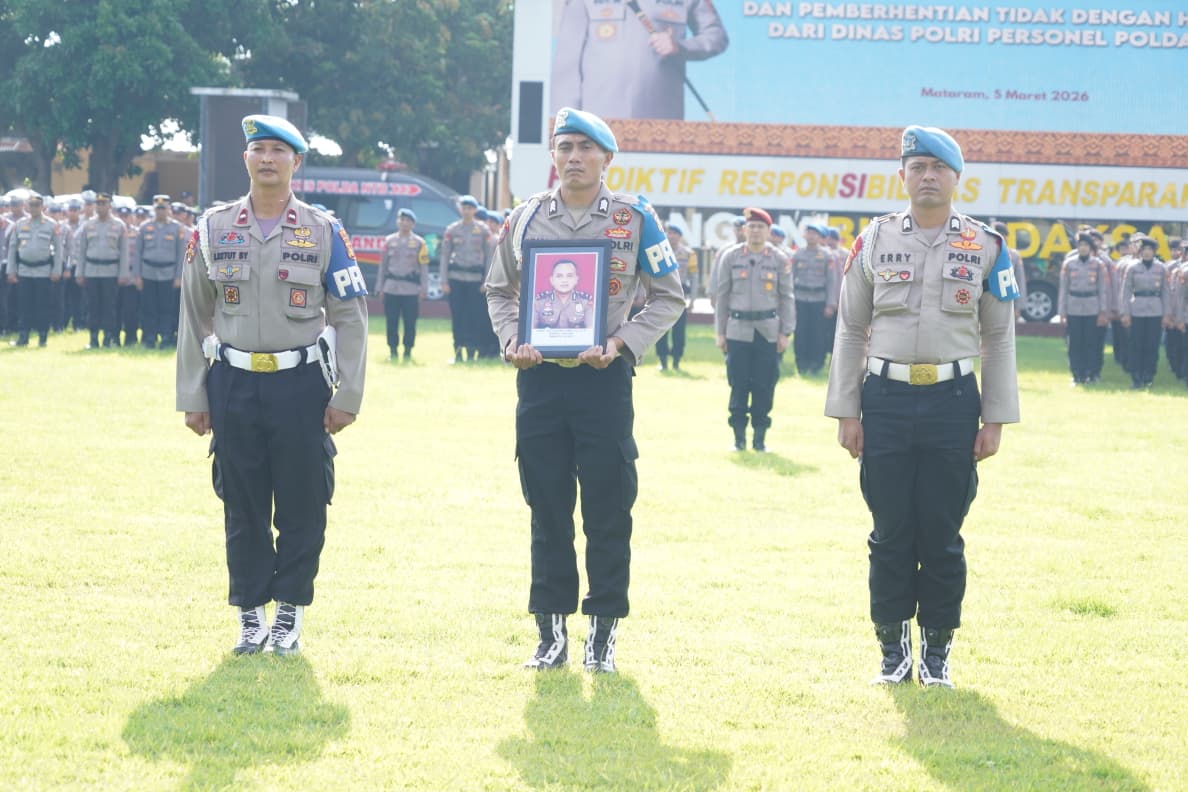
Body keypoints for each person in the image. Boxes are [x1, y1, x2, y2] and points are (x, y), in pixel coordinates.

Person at [485, 107, 684, 673]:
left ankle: (602, 636)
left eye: (585, 148)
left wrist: (621, 342)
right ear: (553, 155)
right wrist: (511, 340)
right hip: (540, 382)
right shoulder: (524, 218)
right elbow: (499, 291)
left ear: (606, 158)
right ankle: (550, 636)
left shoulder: (634, 219)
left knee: (608, 510)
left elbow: (669, 296)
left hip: (603, 381)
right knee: (547, 510)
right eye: (564, 147)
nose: (573, 158)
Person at [825, 126, 1020, 688]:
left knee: (941, 534)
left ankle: (937, 651)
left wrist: (994, 420)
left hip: (953, 403)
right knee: (889, 531)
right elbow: (851, 328)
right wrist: (847, 411)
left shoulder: (986, 246)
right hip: (884, 400)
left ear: (957, 177)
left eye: (938, 167)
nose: (927, 176)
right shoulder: (873, 240)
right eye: (917, 167)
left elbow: (999, 337)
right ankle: (893, 650)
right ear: (902, 175)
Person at [176, 115, 369, 656]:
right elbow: (193, 314)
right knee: (241, 504)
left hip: (301, 385)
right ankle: (250, 615)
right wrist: (193, 395)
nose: (267, 159)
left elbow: (351, 316)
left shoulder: (325, 231)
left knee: (304, 503)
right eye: (258, 149)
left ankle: (289, 610)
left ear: (295, 162)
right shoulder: (212, 228)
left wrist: (348, 394)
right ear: (246, 158)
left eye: (278, 152)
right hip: (233, 383)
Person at [551, 0, 728, 121]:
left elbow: (716, 36)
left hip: (661, 122)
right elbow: (567, 62)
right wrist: (566, 121)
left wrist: (680, 47)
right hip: (597, 120)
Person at [712, 207, 795, 451]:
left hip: (767, 332)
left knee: (764, 385)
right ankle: (738, 439)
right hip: (737, 331)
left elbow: (787, 297)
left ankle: (760, 440)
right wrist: (720, 332)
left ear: (768, 231)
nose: (756, 231)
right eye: (752, 226)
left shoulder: (779, 259)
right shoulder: (730, 257)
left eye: (760, 227)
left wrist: (785, 332)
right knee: (738, 384)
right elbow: (722, 296)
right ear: (744, 229)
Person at [439, 195, 494, 362]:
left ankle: (471, 351)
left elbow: (489, 257)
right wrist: (444, 281)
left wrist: (486, 281)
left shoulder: (483, 230)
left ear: (475, 210)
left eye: (470, 208)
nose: (467, 211)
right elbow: (445, 256)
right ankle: (458, 351)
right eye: (464, 208)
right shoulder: (452, 229)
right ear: (460, 209)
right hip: (456, 279)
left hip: (475, 280)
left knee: (474, 317)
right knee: (458, 317)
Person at [4, 192, 63, 347]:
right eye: (31, 205)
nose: (34, 208)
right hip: (24, 270)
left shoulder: (51, 224)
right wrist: (11, 270)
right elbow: (12, 248)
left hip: (43, 270)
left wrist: (57, 270)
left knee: (42, 305)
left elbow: (59, 249)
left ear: (42, 206)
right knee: (24, 305)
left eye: (37, 205)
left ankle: (42, 337)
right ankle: (23, 336)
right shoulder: (20, 224)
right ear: (27, 206)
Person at [75, 193, 130, 349]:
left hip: (110, 272)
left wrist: (123, 273)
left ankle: (107, 338)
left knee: (109, 307)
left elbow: (124, 252)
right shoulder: (88, 225)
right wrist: (79, 273)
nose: (100, 207)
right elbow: (82, 251)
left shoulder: (119, 225)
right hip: (91, 271)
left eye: (103, 204)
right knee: (92, 306)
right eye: (98, 204)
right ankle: (93, 339)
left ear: (109, 206)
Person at [375, 207, 429, 360]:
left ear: (413, 224)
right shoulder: (389, 241)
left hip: (411, 289)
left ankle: (407, 351)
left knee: (410, 322)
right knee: (391, 321)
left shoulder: (420, 243)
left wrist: (424, 288)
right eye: (402, 220)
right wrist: (380, 287)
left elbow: (424, 268)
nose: (404, 223)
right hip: (391, 288)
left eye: (408, 220)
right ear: (398, 222)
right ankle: (392, 350)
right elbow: (382, 266)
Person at [134, 195, 187, 348]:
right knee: (148, 308)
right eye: (158, 208)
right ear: (154, 208)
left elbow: (181, 254)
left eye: (163, 208)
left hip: (168, 274)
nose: (160, 211)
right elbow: (138, 252)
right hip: (148, 272)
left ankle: (165, 337)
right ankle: (149, 338)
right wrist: (137, 275)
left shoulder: (177, 228)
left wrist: (179, 276)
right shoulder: (144, 227)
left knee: (167, 308)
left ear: (168, 209)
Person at [1057, 233, 1109, 385]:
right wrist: (1062, 312)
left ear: (1090, 248)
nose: (1083, 248)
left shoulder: (1098, 265)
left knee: (1091, 342)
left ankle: (1090, 373)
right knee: (1074, 343)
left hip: (1092, 307)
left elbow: (1102, 290)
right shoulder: (1069, 264)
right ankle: (1076, 374)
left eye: (1086, 245)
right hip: (1073, 307)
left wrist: (1103, 311)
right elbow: (1063, 289)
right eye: (1081, 245)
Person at [1119, 237, 1170, 389]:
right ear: (1140, 251)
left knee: (1152, 345)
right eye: (1144, 250)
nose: (1147, 252)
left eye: (1150, 250)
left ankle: (1149, 376)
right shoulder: (1132, 268)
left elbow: (1166, 292)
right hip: (1137, 309)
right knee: (1136, 345)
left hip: (1155, 310)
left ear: (1154, 252)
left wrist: (1166, 314)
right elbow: (1125, 291)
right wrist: (1125, 313)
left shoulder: (1161, 268)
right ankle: (1136, 377)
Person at [790, 222, 837, 375]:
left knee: (818, 333)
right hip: (800, 299)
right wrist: (789, 302)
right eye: (809, 233)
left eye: (815, 234)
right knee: (800, 332)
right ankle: (801, 363)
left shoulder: (827, 255)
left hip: (819, 300)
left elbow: (831, 281)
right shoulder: (797, 254)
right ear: (804, 235)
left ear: (819, 237)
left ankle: (817, 363)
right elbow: (790, 278)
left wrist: (830, 304)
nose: (811, 236)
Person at [655, 221, 696, 370]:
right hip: (662, 293)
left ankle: (676, 360)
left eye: (674, 233)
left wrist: (693, 300)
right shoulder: (658, 251)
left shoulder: (689, 253)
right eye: (669, 233)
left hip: (680, 294)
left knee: (679, 331)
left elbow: (694, 277)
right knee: (661, 330)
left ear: (680, 236)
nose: (671, 236)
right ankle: (663, 360)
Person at [532, 259, 594, 329]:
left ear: (576, 279)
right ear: (552, 280)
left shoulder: (585, 302)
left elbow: (591, 331)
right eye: (559, 276)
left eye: (569, 276)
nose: (564, 280)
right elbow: (530, 331)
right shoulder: (539, 302)